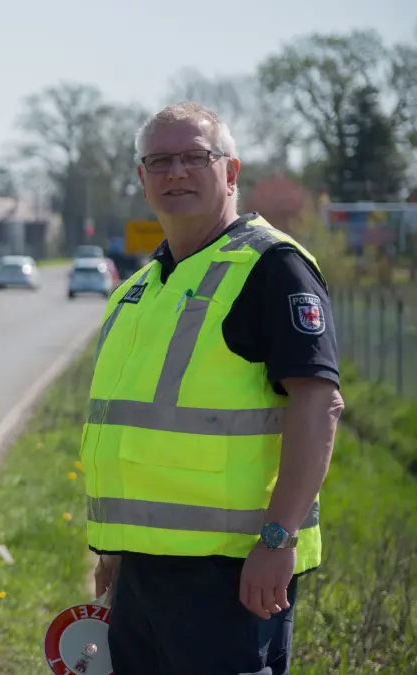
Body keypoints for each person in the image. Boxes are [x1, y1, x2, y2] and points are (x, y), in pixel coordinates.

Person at [82, 102, 344, 675]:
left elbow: (318, 404)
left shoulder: (272, 268)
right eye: (160, 161)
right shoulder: (141, 287)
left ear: (230, 172)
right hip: (144, 572)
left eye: (194, 157)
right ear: (141, 179)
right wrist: (120, 550)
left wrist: (278, 540)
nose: (176, 172)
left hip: (233, 573)